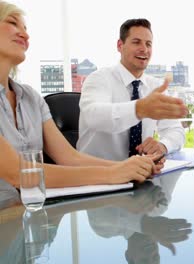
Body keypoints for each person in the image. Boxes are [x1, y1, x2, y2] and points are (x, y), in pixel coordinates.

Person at [0, 1, 161, 188]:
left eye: (26, 28)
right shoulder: (100, 79)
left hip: (31, 211)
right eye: (12, 23)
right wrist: (113, 172)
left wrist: (131, 168)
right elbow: (16, 173)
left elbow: (69, 157)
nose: (25, 34)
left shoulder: (31, 98)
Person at [77, 18, 188, 161]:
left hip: (140, 174)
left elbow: (176, 131)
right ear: (120, 45)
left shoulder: (156, 86)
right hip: (97, 175)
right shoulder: (98, 79)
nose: (144, 49)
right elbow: (93, 116)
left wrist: (162, 146)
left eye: (148, 44)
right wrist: (139, 109)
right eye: (136, 42)